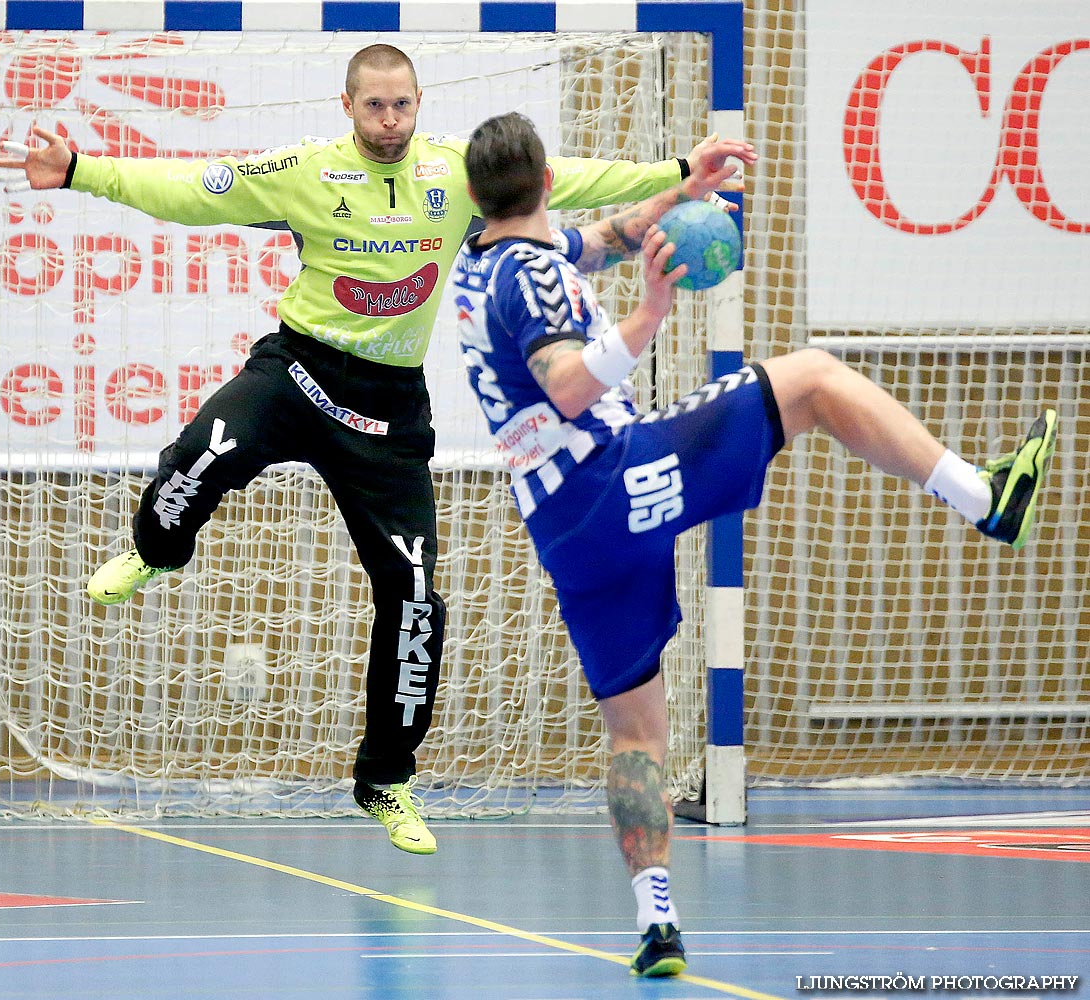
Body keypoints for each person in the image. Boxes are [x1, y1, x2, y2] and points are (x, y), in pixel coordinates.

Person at [0, 45, 757, 857]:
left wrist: (678, 168)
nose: (390, 122)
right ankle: (154, 549)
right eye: (374, 108)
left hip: (388, 409)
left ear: (419, 102)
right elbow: (190, 190)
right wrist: (80, 171)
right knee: (201, 452)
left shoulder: (455, 175)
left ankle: (385, 779)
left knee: (418, 598)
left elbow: (567, 179)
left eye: (402, 107)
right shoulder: (304, 173)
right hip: (297, 375)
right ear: (347, 106)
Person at [450, 111, 1057, 977]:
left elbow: (603, 240)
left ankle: (656, 919)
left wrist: (683, 192)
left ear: (479, 197)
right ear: (546, 180)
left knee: (635, 731)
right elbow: (572, 387)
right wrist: (654, 312)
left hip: (568, 534)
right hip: (613, 479)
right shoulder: (532, 283)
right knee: (808, 378)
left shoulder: (488, 258)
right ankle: (985, 498)